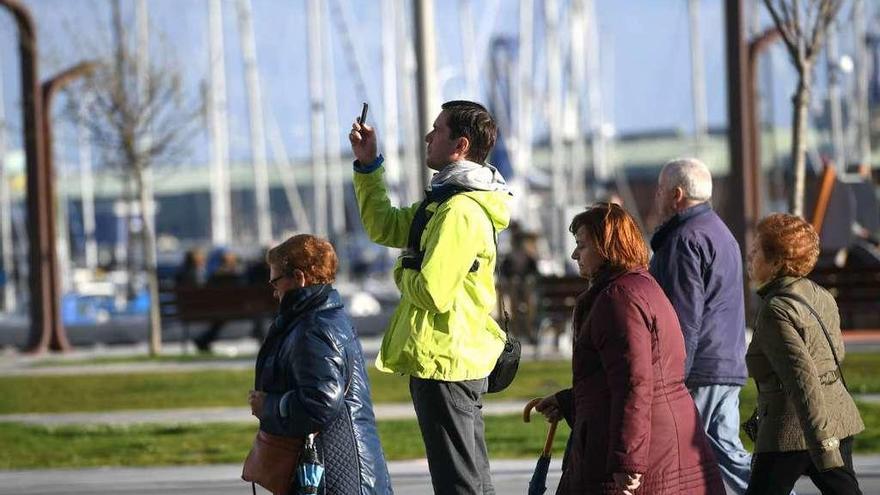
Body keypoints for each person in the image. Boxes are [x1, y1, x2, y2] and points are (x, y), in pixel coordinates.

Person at [349, 100, 510, 494]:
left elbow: (433, 292)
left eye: (436, 130)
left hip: (447, 363)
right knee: (471, 479)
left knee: (459, 483)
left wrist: (403, 270)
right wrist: (369, 166)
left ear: (460, 146)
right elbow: (386, 226)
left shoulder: (459, 211)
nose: (427, 136)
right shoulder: (444, 201)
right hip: (448, 360)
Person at [535, 203, 723, 494]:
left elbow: (634, 383)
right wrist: (569, 402)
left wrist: (629, 461)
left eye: (581, 246)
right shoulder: (639, 286)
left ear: (606, 246)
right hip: (657, 438)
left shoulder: (618, 299)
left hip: (643, 449)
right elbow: (625, 375)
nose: (575, 255)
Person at [247, 234, 392, 494]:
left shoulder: (314, 328)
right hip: (347, 467)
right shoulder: (324, 317)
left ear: (299, 278)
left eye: (276, 281)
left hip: (336, 474)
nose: (274, 290)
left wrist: (268, 405)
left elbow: (320, 402)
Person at [649, 158, 753, 493]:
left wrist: (673, 375)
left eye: (661, 189)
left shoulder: (684, 240)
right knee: (722, 451)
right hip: (726, 361)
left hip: (701, 368)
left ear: (676, 194)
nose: (657, 195)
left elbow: (683, 317)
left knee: (707, 454)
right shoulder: (720, 233)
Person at [745, 214, 864, 495]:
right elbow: (836, 355)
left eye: (755, 252)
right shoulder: (820, 294)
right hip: (836, 418)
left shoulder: (776, 310)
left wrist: (822, 445)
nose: (748, 258)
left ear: (776, 263)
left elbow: (803, 381)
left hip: (793, 431)